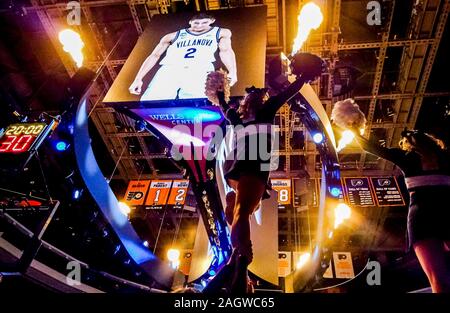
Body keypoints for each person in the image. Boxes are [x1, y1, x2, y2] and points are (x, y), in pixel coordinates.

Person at [211, 75, 306, 293]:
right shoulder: (265, 111)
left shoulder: (237, 117)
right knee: (244, 211)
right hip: (254, 164)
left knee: (241, 210)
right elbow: (287, 93)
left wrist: (219, 93)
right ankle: (241, 252)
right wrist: (305, 76)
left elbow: (225, 108)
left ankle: (238, 244)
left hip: (236, 167)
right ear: (261, 100)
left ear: (245, 102)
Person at [353, 127, 450, 293]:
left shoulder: (407, 157)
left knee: (438, 280)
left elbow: (371, 147)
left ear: (409, 145)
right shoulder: (445, 158)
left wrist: (353, 130)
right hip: (445, 212)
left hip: (422, 218)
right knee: (439, 279)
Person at [129, 13, 237, 101]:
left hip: (200, 68)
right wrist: (138, 78)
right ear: (190, 22)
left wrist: (233, 72)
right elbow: (154, 55)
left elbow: (226, 50)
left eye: (204, 22)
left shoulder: (220, 32)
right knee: (152, 102)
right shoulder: (172, 35)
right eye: (196, 23)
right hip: (170, 68)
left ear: (212, 21)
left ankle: (193, 127)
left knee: (198, 105)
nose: (200, 25)